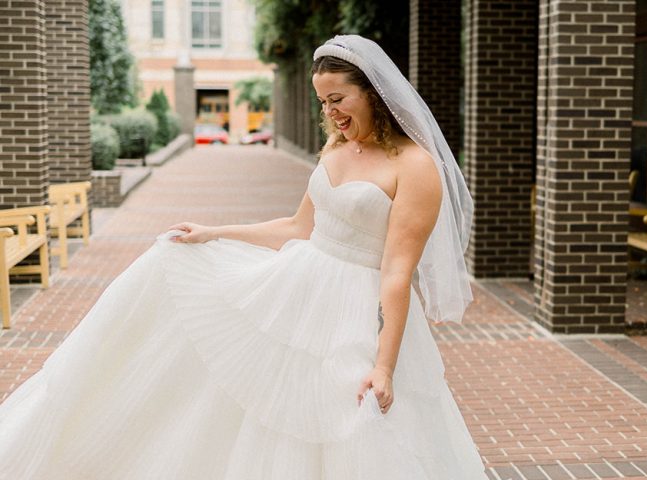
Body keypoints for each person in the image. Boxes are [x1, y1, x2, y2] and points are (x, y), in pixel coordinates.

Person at [0, 35, 486, 479]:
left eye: (339, 99)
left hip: (356, 312)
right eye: (323, 103)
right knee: (265, 412)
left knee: (351, 426)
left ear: (374, 94)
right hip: (295, 289)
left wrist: (384, 366)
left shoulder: (416, 167)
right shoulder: (337, 146)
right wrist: (212, 233)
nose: (332, 113)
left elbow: (397, 273)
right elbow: (300, 227)